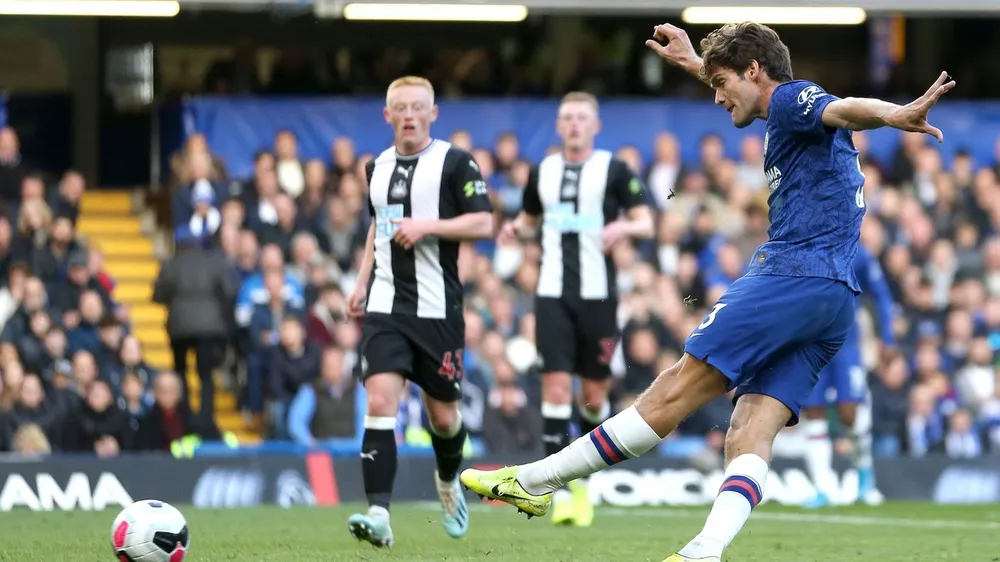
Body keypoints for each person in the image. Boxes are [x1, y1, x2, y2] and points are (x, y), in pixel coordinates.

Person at [462, 21, 954, 562]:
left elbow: (842, 107)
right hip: (833, 301)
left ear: (753, 70)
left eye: (721, 83)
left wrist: (894, 114)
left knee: (673, 390)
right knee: (748, 430)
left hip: (792, 274)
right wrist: (697, 63)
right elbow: (773, 99)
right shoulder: (778, 107)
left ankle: (536, 480)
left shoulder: (793, 99)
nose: (716, 97)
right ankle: (705, 551)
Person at [345, 75, 494, 548]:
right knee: (381, 402)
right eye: (400, 108)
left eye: (418, 107)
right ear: (387, 116)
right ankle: (379, 514)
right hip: (386, 307)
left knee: (444, 419)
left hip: (437, 310)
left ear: (433, 113)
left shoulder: (454, 162)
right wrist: (362, 280)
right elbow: (378, 225)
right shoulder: (376, 166)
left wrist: (428, 225)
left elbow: (484, 221)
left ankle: (449, 481)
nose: (409, 115)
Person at [497, 91, 654, 527]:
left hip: (599, 299)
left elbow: (646, 220)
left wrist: (622, 225)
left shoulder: (614, 170)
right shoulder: (542, 172)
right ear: (559, 125)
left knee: (593, 395)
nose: (574, 125)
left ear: (595, 126)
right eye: (567, 118)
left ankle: (583, 486)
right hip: (551, 295)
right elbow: (530, 220)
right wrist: (515, 228)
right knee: (555, 389)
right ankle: (550, 492)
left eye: (582, 118)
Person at [801, 243, 896, 508]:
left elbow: (880, 293)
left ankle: (865, 476)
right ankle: (822, 487)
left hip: (846, 343)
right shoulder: (804, 246)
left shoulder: (858, 251)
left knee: (848, 411)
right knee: (815, 410)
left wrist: (887, 335)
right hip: (811, 342)